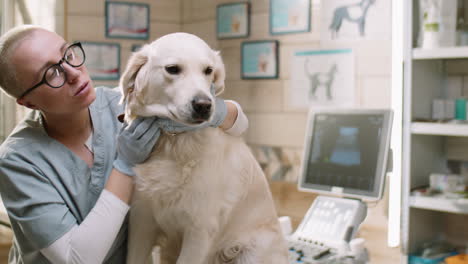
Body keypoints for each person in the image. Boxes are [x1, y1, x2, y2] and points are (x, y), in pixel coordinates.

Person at [0, 25, 249, 264]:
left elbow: (240, 123)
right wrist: (126, 164)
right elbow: (77, 259)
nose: (74, 73)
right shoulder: (18, 160)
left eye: (69, 54)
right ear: (29, 103)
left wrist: (215, 112)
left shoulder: (123, 106)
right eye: (51, 73)